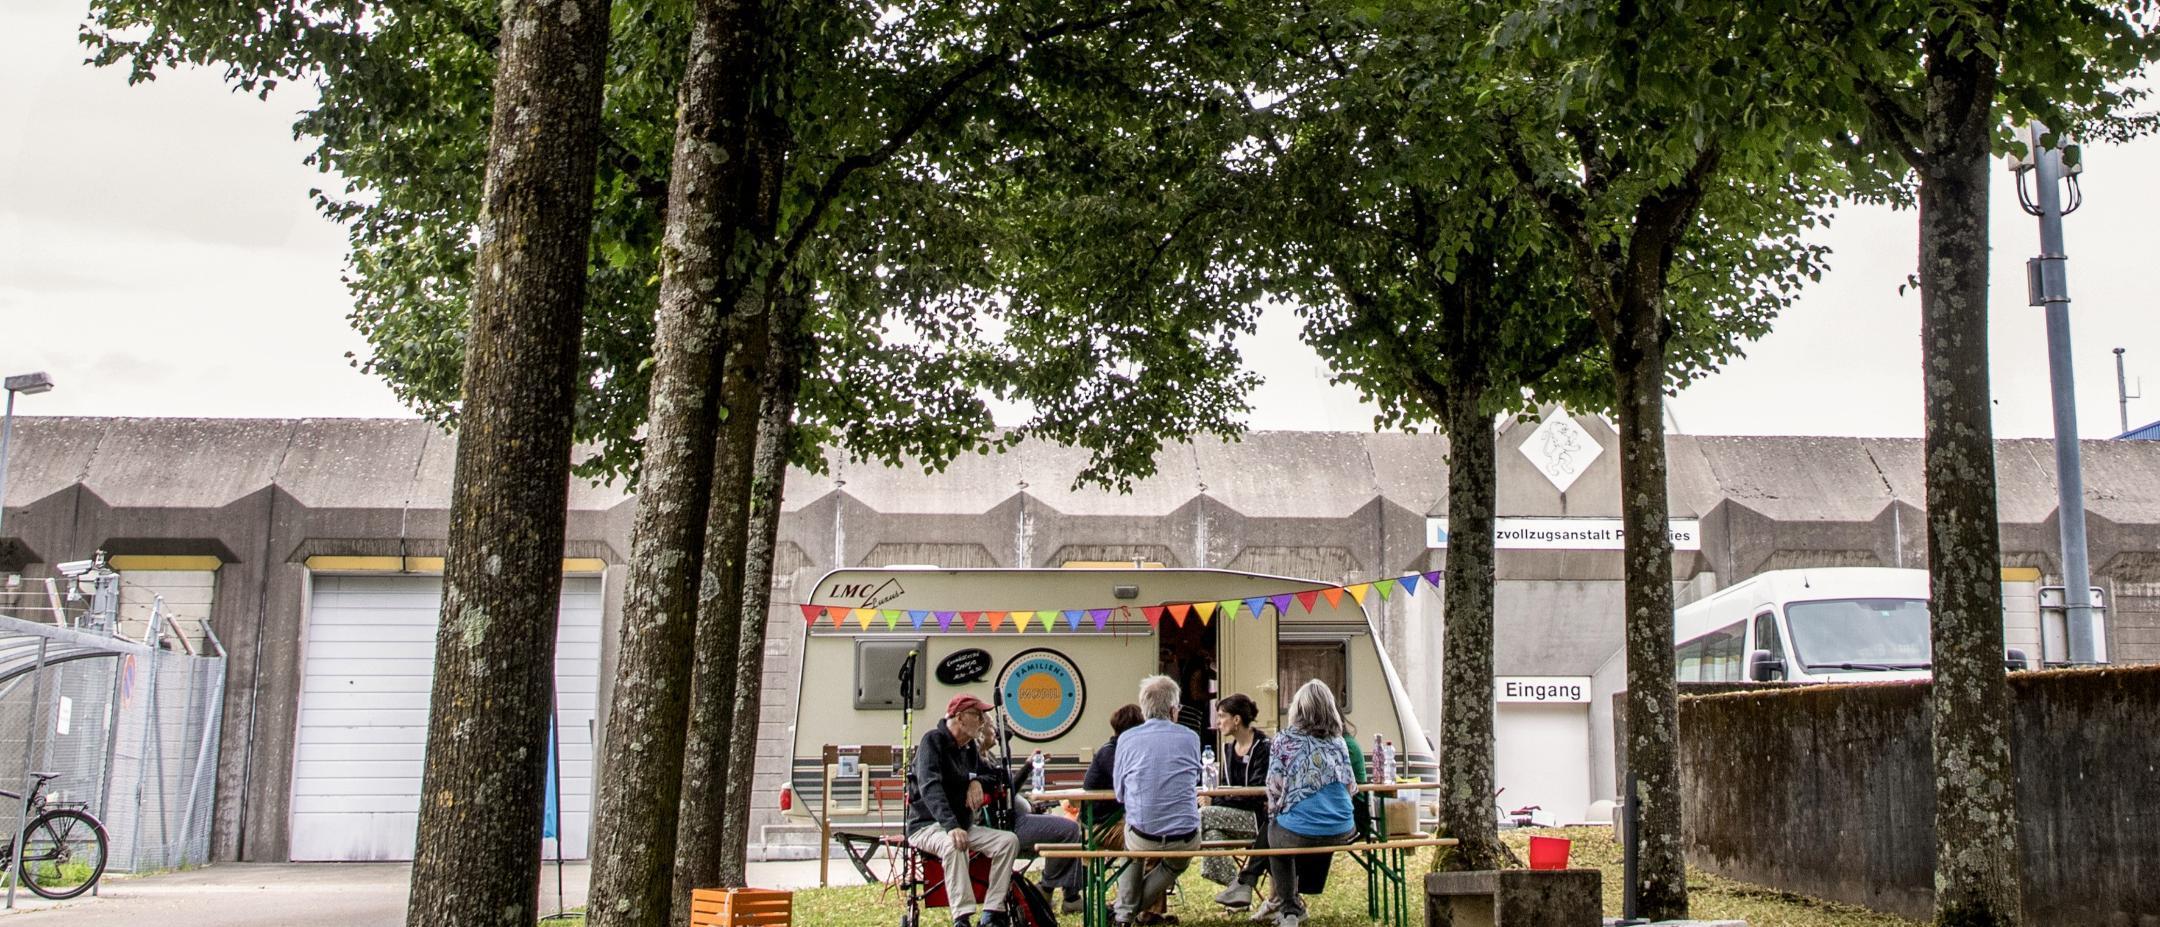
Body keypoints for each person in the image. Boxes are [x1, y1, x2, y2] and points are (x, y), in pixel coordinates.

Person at [908, 693, 1019, 927]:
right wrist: (951, 826)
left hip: (962, 826)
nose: (983, 720)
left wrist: (977, 781)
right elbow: (930, 786)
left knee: (1008, 841)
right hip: (927, 826)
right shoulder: (932, 741)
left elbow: (995, 775)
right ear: (959, 717)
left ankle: (992, 912)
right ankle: (962, 918)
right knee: (955, 844)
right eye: (977, 715)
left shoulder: (969, 749)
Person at [1254, 680, 1357, 927]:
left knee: (1275, 837)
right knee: (1292, 829)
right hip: (1344, 829)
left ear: (1297, 709)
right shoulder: (1339, 742)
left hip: (1300, 833)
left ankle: (1290, 910)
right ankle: (1289, 903)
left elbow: (1274, 788)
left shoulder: (1284, 739)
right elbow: (1350, 787)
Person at [1111, 675, 1203, 926]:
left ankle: (1123, 914)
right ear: (1174, 710)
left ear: (1144, 710)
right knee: (1173, 865)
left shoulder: (1126, 739)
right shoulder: (1191, 737)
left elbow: (1119, 794)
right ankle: (1125, 913)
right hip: (1185, 837)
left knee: (1131, 850)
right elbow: (1194, 780)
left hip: (1142, 835)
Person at [970, 723, 1086, 913]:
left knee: (1071, 831)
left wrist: (1029, 804)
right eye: (992, 726)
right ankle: (1048, 890)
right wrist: (1026, 765)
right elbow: (1007, 790)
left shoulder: (986, 756)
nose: (996, 730)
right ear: (981, 732)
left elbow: (1008, 790)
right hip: (1010, 826)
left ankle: (1070, 897)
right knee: (1070, 830)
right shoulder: (977, 760)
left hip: (1018, 818)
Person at [1082, 705, 1169, 922]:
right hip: (1099, 826)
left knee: (1156, 839)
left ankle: (1134, 909)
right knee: (1151, 842)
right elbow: (1134, 784)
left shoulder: (1120, 749)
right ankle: (1141, 911)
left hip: (1118, 821)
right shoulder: (1110, 754)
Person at [1202, 693, 1270, 908]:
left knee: (1202, 815)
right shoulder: (1228, 750)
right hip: (1232, 816)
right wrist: (1219, 797)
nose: (1218, 722)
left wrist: (1217, 801)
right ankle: (1239, 888)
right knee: (1211, 837)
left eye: (1222, 716)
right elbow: (1225, 788)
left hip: (1259, 820)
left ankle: (1169, 853)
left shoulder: (1263, 747)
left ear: (1237, 719)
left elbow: (1257, 793)